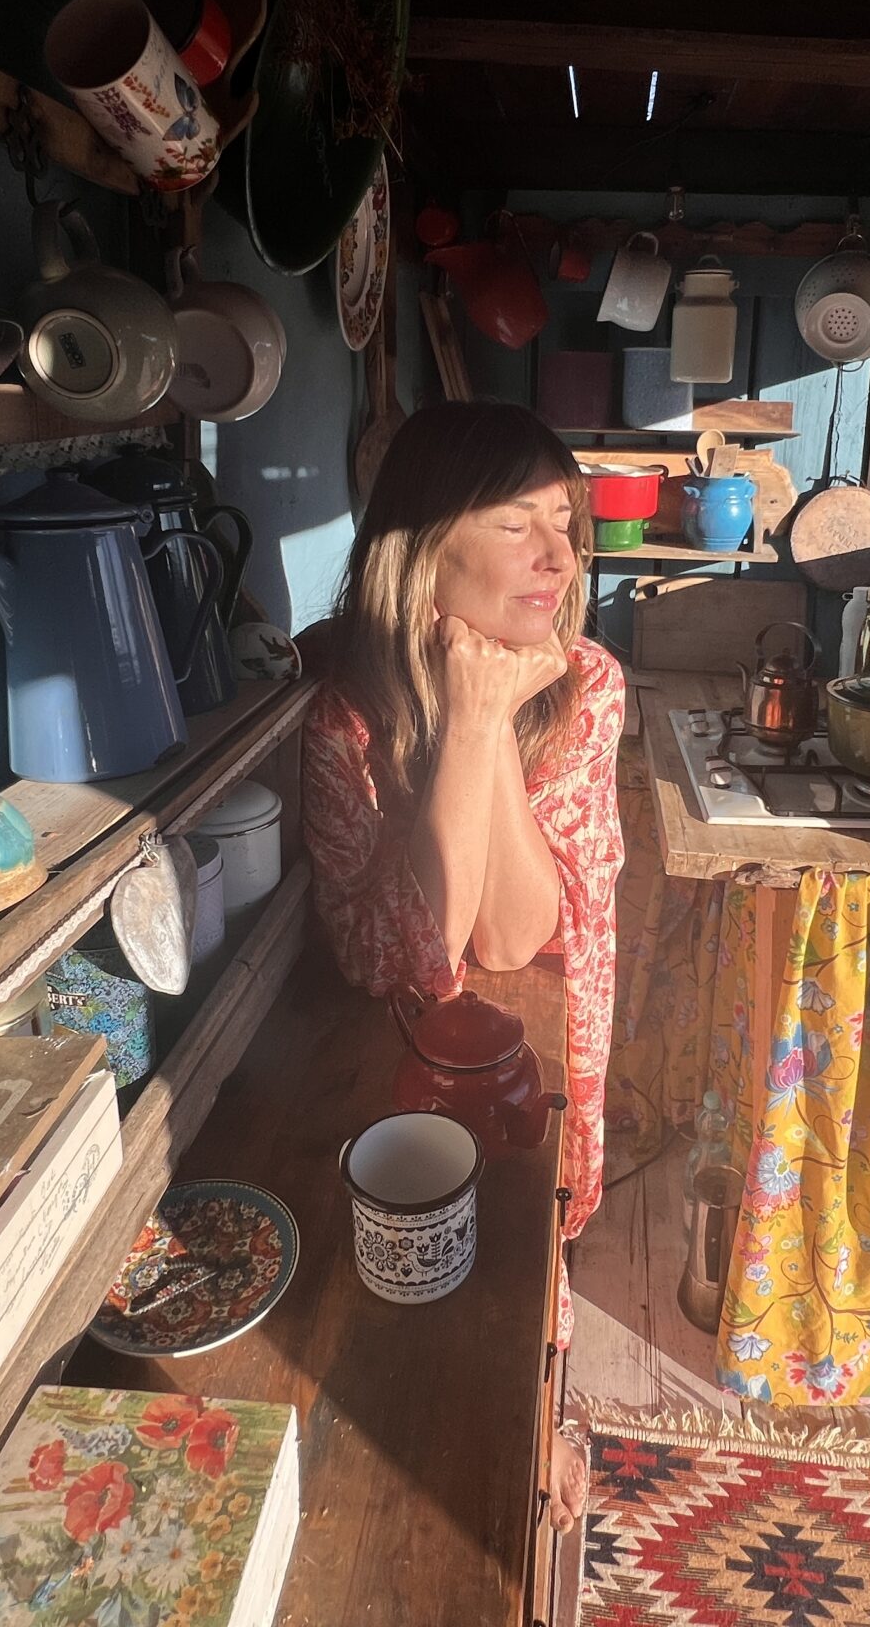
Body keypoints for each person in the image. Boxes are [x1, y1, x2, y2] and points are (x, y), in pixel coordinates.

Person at [300, 401, 623, 1513]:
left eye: (564, 523)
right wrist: (473, 723)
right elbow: (420, 954)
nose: (558, 558)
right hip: (397, 1056)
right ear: (424, 545)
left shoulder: (584, 686)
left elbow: (512, 936)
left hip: (528, 1044)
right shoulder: (345, 720)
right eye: (515, 523)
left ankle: (541, 1417)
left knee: (525, 1254)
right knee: (415, 1306)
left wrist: (490, 719)